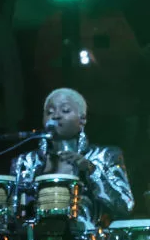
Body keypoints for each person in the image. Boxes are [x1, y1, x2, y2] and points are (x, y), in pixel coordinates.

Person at [12, 87, 134, 229]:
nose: (56, 116)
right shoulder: (26, 161)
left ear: (82, 119)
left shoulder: (104, 155)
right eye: (49, 112)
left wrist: (91, 170)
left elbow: (125, 206)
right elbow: (15, 214)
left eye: (65, 110)